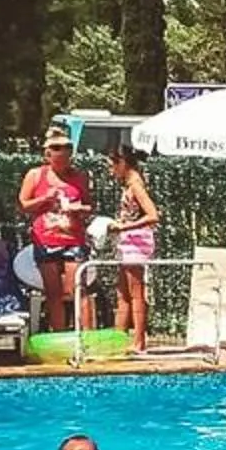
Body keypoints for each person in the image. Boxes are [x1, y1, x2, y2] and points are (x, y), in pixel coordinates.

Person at [20, 129, 95, 332]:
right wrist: (45, 199)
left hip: (73, 238)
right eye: (57, 153)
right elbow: (23, 205)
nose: (62, 158)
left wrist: (80, 209)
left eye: (66, 154)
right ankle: (59, 334)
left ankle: (86, 336)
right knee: (53, 293)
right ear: (48, 155)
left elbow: (90, 206)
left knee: (78, 288)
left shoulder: (79, 177)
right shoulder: (36, 175)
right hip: (46, 239)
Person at [107, 147, 161, 348]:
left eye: (113, 166)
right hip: (127, 241)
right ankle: (119, 339)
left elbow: (152, 215)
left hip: (136, 242)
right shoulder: (129, 185)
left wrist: (124, 226)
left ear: (122, 163)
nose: (111, 171)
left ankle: (139, 341)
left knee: (136, 292)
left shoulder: (136, 186)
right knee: (122, 291)